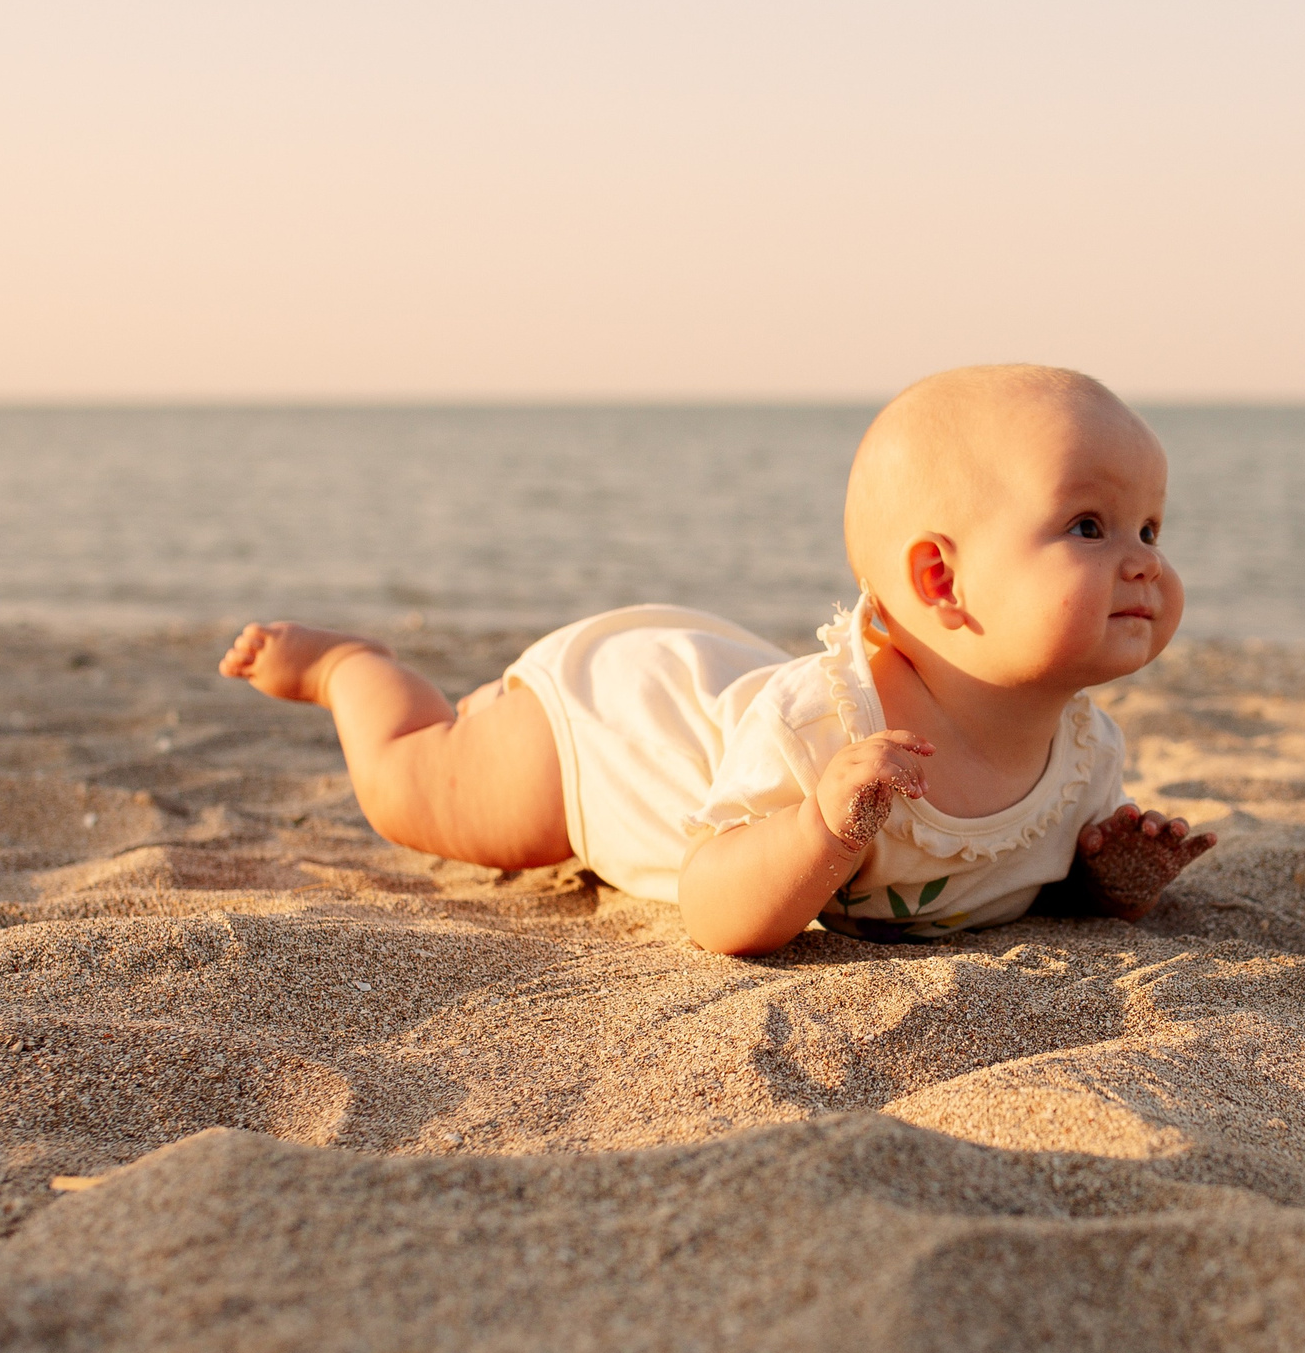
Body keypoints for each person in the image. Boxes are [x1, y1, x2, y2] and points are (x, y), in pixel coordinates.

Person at [218, 364, 1215, 953]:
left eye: (1151, 528)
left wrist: (1111, 880)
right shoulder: (825, 732)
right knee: (415, 784)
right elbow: (713, 904)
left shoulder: (1085, 752)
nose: (1142, 562)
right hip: (609, 737)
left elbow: (1021, 873)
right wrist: (819, 830)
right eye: (1090, 525)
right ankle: (348, 667)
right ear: (942, 583)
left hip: (720, 676)